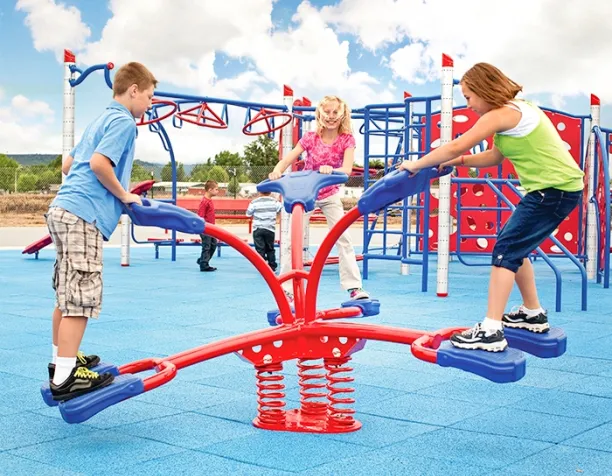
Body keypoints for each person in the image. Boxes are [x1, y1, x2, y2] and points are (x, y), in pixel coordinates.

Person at [397, 62, 584, 352]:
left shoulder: (502, 114)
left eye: (469, 97)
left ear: (485, 90)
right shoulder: (517, 111)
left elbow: (456, 144)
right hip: (556, 190)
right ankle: (532, 313)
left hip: (553, 191)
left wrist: (418, 164)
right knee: (514, 246)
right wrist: (457, 163)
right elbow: (494, 157)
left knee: (505, 250)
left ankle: (491, 330)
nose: (468, 104)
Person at [47, 62, 157, 399]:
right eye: (149, 96)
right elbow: (98, 164)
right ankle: (65, 379)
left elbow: (70, 163)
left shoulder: (101, 118)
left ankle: (60, 362)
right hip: (85, 215)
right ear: (133, 90)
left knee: (67, 295)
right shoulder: (124, 121)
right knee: (81, 298)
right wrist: (124, 195)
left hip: (62, 209)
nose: (150, 103)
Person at [269, 95, 370, 302]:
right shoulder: (310, 137)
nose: (331, 117)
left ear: (342, 115)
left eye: (335, 113)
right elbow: (289, 158)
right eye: (327, 112)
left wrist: (331, 170)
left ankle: (354, 288)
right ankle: (287, 289)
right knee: (291, 241)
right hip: (307, 195)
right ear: (320, 114)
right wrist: (277, 171)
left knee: (343, 239)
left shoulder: (346, 139)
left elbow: (347, 170)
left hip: (330, 194)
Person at [246, 191, 283, 271]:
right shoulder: (274, 202)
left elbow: (248, 214)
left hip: (258, 228)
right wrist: (278, 218)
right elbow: (281, 209)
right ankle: (272, 265)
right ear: (270, 192)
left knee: (260, 248)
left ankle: (261, 266)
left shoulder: (254, 202)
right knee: (270, 248)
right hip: (270, 228)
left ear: (259, 192)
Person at [197, 180, 219, 272]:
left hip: (211, 228)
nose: (217, 191)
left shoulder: (209, 200)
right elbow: (200, 216)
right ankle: (204, 265)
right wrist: (203, 228)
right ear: (210, 190)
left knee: (213, 245)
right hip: (205, 229)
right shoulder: (204, 202)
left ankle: (202, 260)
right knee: (207, 246)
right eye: (216, 189)